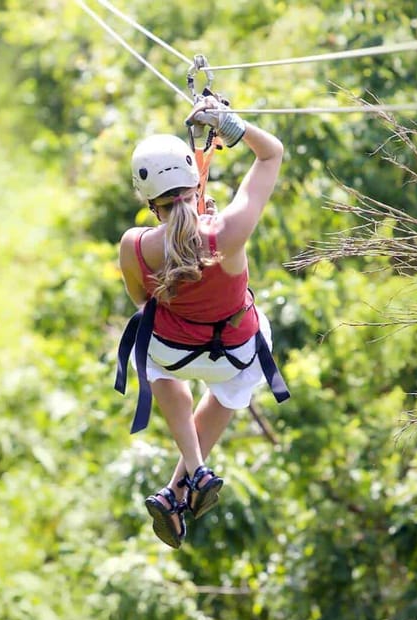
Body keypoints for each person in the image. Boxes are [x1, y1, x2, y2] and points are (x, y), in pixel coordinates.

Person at [114, 96, 289, 549]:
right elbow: (272, 153)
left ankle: (191, 474)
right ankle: (184, 482)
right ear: (196, 183)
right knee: (232, 385)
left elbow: (142, 298)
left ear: (149, 202)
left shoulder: (134, 246)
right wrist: (232, 126)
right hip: (235, 352)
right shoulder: (228, 232)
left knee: (146, 346)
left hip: (173, 350)